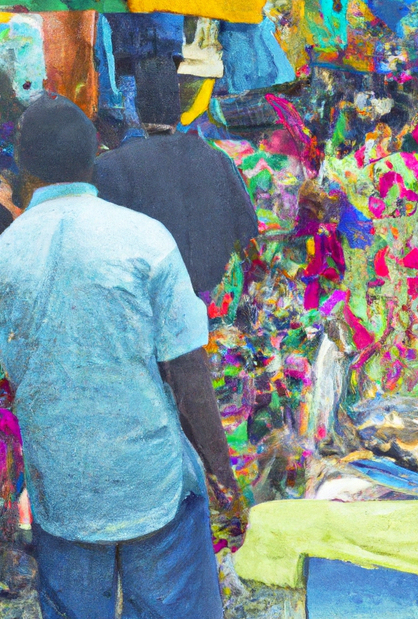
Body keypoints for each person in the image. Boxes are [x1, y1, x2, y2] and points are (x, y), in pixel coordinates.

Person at [0, 93, 242, 619]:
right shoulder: (144, 239)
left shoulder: (6, 252)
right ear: (96, 152)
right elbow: (187, 372)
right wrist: (222, 474)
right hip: (151, 485)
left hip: (61, 492)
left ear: (22, 165)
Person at [93, 125, 258, 296]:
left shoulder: (110, 164)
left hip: (151, 297)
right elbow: (248, 228)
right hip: (212, 295)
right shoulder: (215, 156)